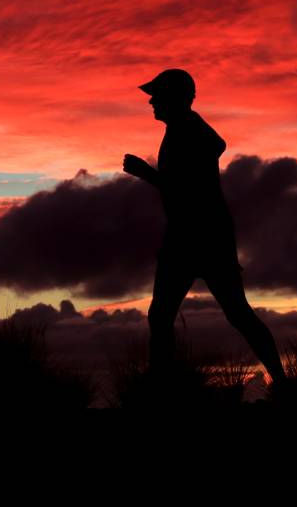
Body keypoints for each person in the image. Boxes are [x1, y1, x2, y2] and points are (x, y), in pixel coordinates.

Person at [123, 68, 288, 388]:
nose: (151, 102)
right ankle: (163, 385)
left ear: (174, 98)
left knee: (233, 314)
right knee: (167, 315)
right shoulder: (182, 129)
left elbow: (189, 189)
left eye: (157, 96)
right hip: (190, 237)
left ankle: (280, 381)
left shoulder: (190, 131)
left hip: (203, 238)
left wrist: (147, 174)